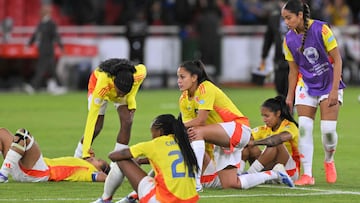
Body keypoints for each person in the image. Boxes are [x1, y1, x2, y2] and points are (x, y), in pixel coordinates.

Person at [176, 60, 293, 191]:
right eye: (178, 77)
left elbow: (201, 120)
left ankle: (196, 183)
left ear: (194, 77)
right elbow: (189, 127)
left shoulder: (205, 87)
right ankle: (275, 174)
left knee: (196, 132)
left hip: (239, 128)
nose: (178, 81)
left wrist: (176, 126)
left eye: (182, 77)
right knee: (231, 184)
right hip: (222, 139)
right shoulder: (183, 99)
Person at [282, 0, 346, 185]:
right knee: (304, 128)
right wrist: (289, 96)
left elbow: (338, 60)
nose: (286, 22)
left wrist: (334, 90)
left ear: (300, 15)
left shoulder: (322, 29)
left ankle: (329, 160)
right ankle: (307, 174)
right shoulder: (288, 39)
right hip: (306, 84)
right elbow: (293, 71)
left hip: (329, 83)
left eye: (289, 17)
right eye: (284, 18)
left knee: (328, 132)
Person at [73, 58, 146, 201]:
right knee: (97, 127)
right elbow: (91, 119)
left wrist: (131, 100)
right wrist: (87, 150)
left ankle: (116, 165)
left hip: (121, 87)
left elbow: (142, 70)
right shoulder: (103, 85)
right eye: (119, 93)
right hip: (98, 87)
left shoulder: (138, 75)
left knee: (127, 121)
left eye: (123, 93)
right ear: (115, 84)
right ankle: (78, 156)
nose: (120, 96)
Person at [92, 114, 200, 203]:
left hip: (164, 200)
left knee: (123, 160)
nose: (151, 135)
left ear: (160, 131)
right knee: (159, 168)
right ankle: (133, 196)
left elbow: (114, 156)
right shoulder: (183, 143)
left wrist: (134, 160)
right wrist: (141, 161)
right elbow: (167, 160)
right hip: (189, 200)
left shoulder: (155, 144)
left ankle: (105, 199)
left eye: (152, 131)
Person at [0, 128, 109, 183]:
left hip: (40, 172)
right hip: (22, 168)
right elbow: (84, 139)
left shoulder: (89, 170)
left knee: (23, 134)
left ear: (99, 169)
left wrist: (115, 175)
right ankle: (4, 172)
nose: (94, 158)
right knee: (2, 132)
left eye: (98, 160)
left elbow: (103, 177)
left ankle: (3, 175)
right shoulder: (79, 161)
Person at [242, 96, 300, 181]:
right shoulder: (265, 128)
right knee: (248, 144)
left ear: (278, 114)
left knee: (275, 143)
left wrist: (254, 142)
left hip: (290, 171)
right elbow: (245, 137)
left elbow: (276, 140)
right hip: (272, 168)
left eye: (267, 116)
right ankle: (238, 173)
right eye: (263, 116)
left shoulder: (289, 126)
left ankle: (250, 174)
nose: (264, 119)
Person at [25, 5, 66, 95]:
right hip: (42, 49)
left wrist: (61, 46)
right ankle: (58, 86)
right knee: (49, 69)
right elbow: (35, 35)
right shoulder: (41, 23)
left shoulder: (51, 24)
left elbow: (56, 36)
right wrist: (29, 44)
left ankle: (34, 86)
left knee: (43, 68)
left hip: (48, 50)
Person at [260, 0, 289, 97]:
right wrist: (264, 56)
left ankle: (290, 107)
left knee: (290, 85)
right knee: (279, 85)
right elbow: (268, 39)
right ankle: (282, 107)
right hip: (279, 58)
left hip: (294, 57)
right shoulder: (274, 19)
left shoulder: (297, 18)